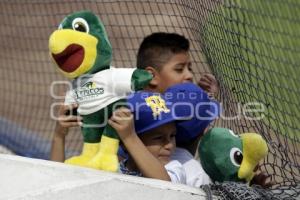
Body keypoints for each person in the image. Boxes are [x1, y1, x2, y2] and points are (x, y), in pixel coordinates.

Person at [110, 89, 212, 186]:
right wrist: (128, 137)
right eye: (158, 138)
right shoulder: (113, 167)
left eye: (172, 135)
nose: (170, 145)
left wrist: (129, 137)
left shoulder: (174, 168)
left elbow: (163, 184)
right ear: (124, 145)